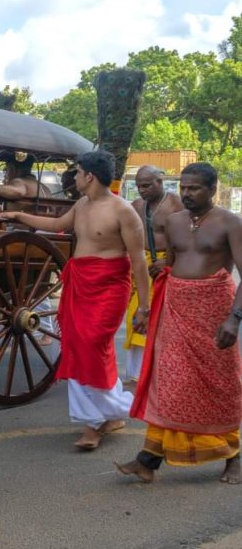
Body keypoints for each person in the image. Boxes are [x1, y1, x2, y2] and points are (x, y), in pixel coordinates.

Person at [0, 150, 150, 450]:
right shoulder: (81, 204)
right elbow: (56, 225)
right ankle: (104, 416)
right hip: (79, 283)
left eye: (77, 173)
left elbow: (139, 263)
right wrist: (18, 216)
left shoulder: (123, 211)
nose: (74, 178)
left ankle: (97, 421)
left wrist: (144, 308)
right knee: (76, 345)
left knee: (93, 345)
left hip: (109, 287)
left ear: (90, 176)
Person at [116, 162, 242, 485]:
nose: (186, 193)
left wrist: (234, 318)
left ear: (212, 189)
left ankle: (233, 457)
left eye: (194, 188)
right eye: (183, 187)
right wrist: (145, 309)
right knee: (170, 383)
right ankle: (149, 459)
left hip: (215, 310)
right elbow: (168, 268)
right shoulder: (173, 223)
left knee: (219, 385)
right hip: (175, 308)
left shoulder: (230, 223)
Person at [0, 152, 56, 346]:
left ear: (14, 168)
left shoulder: (21, 182)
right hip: (40, 241)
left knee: (16, 286)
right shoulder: (44, 187)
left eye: (7, 170)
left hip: (24, 242)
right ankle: (44, 331)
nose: (7, 174)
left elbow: (18, 192)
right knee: (35, 289)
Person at [122, 166, 183, 386]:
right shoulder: (136, 206)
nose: (141, 190)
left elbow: (186, 235)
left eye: (146, 185)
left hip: (166, 265)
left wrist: (169, 261)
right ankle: (135, 372)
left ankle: (159, 370)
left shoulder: (176, 204)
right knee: (135, 316)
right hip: (140, 266)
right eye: (139, 185)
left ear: (160, 181)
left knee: (160, 318)